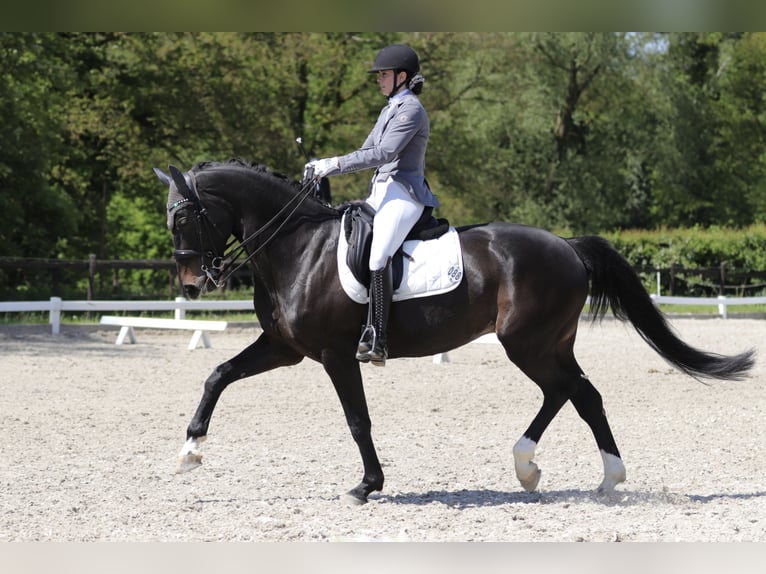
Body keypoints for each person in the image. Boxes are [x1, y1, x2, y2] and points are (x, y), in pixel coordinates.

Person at [304, 43, 439, 366]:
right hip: (380, 191)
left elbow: (384, 154)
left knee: (379, 254)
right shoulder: (390, 108)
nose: (379, 80)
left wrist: (333, 163)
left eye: (384, 74)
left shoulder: (411, 110)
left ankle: (378, 336)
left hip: (404, 193)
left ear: (402, 77)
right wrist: (324, 163)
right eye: (379, 75)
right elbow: (366, 150)